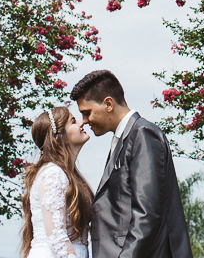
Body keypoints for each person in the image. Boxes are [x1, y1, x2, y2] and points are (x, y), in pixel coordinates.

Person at [71, 70, 192, 258]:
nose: (85, 121)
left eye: (87, 113)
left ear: (108, 104)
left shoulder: (142, 134)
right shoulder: (124, 139)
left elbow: (147, 213)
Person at [20, 105, 94, 258]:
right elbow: (56, 236)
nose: (81, 123)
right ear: (59, 136)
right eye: (73, 121)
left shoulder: (67, 175)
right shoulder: (53, 174)